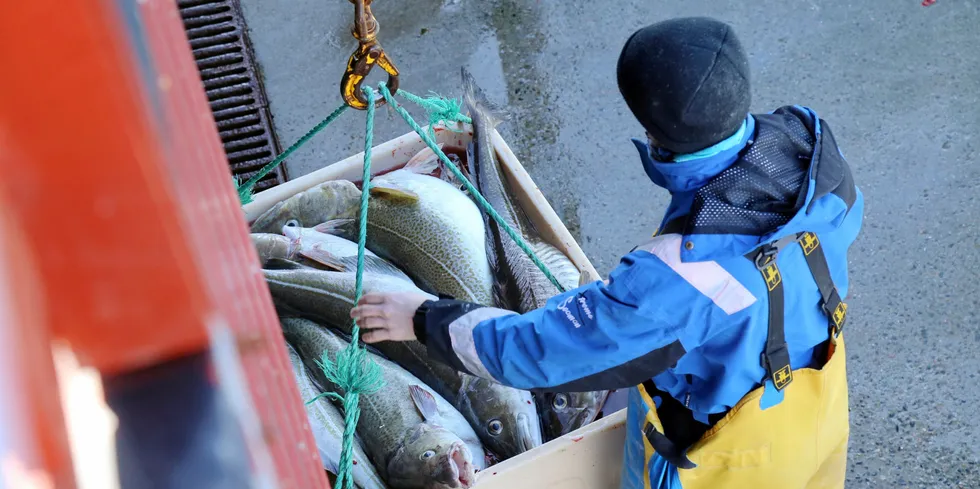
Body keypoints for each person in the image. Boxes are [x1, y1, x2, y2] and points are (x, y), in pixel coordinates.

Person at [350, 16, 864, 489]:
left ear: (653, 133)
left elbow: (546, 351)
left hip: (732, 459)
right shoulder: (813, 157)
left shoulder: (676, 278)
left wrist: (423, 319)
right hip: (814, 411)